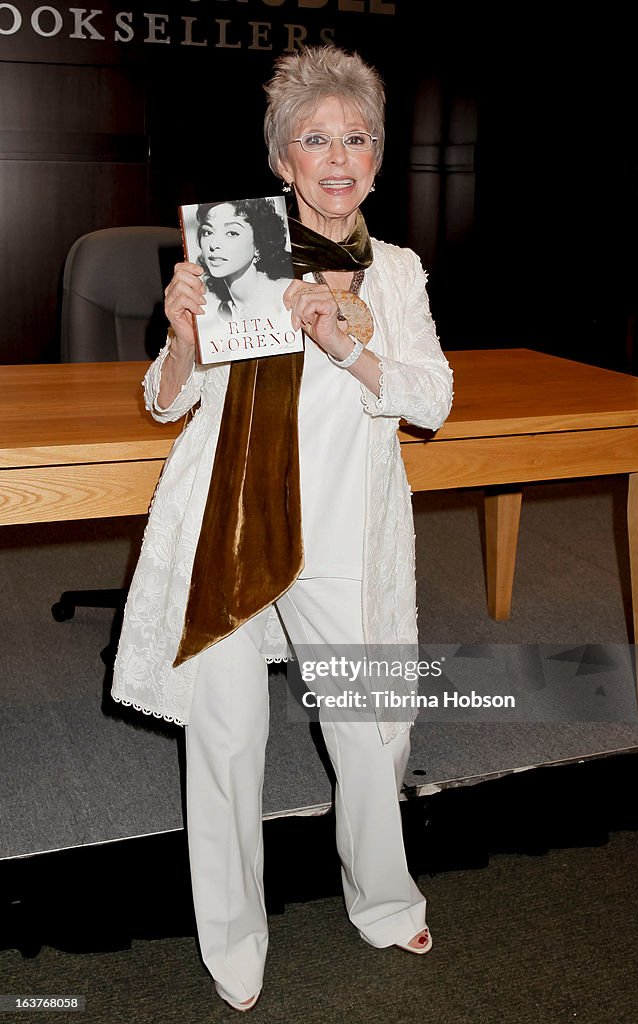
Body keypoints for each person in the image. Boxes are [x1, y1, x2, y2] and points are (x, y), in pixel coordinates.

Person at [111, 43, 453, 1013]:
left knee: (375, 733)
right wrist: (179, 341)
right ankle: (233, 938)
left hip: (345, 537)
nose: (337, 156)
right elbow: (167, 406)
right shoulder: (239, 255)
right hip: (231, 523)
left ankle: (382, 899)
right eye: (315, 138)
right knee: (225, 734)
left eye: (356, 137)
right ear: (284, 161)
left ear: (377, 157)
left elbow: (433, 399)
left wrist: (347, 342)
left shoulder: (395, 272)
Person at [194, 197, 293, 325]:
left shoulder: (287, 297)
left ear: (258, 244)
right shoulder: (220, 311)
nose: (213, 244)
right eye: (207, 232)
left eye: (232, 233)